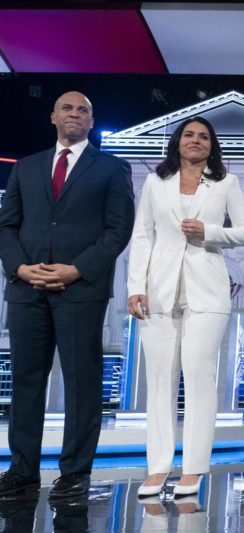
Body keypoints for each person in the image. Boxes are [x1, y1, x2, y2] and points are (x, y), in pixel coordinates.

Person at [0, 91, 135, 502]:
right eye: (68, 108)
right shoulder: (26, 167)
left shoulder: (112, 168)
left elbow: (117, 230)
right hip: (27, 289)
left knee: (81, 385)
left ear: (91, 122)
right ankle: (21, 471)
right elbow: (6, 227)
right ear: (53, 116)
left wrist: (77, 268)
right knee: (26, 384)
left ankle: (75, 473)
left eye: (84, 110)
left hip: (81, 290)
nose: (75, 114)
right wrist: (21, 268)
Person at [127, 116, 244, 499]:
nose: (196, 141)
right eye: (189, 135)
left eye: (203, 136)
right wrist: (135, 286)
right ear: (177, 142)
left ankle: (194, 468)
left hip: (208, 292)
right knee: (160, 381)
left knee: (199, 378)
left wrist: (210, 232)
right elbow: (141, 237)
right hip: (158, 291)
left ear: (212, 145)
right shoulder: (155, 182)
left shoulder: (226, 183)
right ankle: (158, 467)